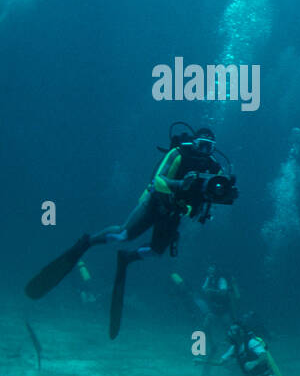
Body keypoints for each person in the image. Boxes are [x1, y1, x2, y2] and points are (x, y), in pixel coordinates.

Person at [24, 125, 237, 338]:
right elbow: (158, 181)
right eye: (201, 145)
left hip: (175, 212)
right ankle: (86, 242)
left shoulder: (214, 168)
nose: (204, 151)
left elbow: (207, 202)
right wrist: (182, 183)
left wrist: (206, 201)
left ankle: (127, 258)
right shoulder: (179, 154)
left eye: (210, 147)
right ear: (194, 143)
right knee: (123, 234)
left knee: (155, 252)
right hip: (155, 203)